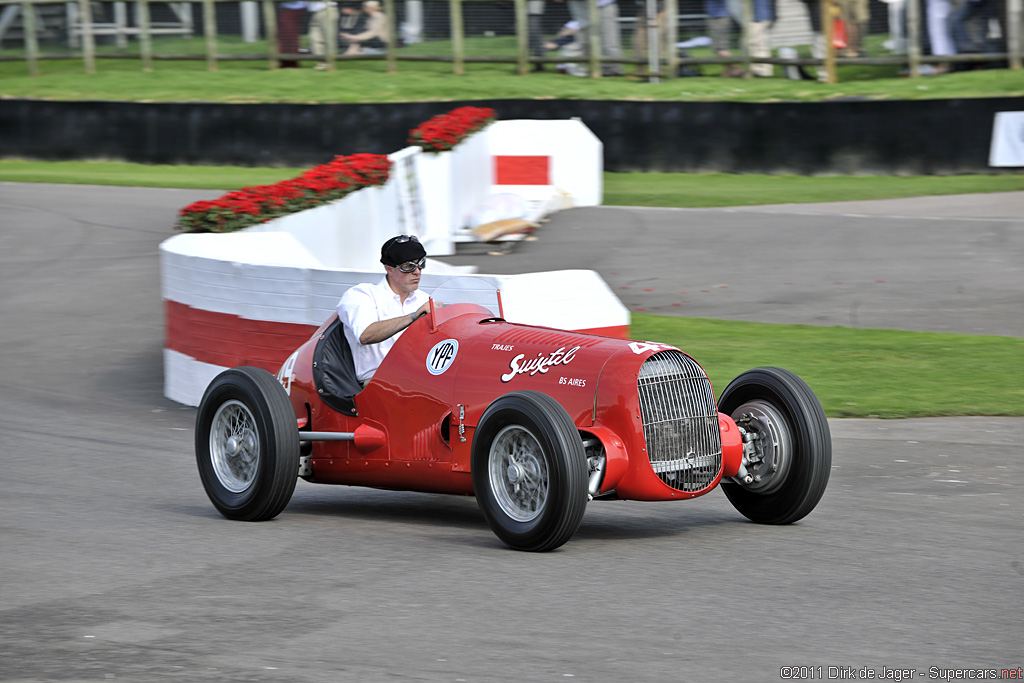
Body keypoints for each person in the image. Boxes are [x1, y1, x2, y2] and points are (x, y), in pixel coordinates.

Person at [337, 235, 431, 384]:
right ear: (390, 269)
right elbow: (365, 335)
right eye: (408, 266)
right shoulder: (361, 294)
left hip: (418, 377)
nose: (417, 272)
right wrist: (413, 316)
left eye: (421, 264)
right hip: (377, 382)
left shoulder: (424, 299)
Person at [308, 0, 339, 69]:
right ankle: (321, 63)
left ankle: (330, 63)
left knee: (328, 38)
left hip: (327, 10)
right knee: (314, 39)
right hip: (315, 13)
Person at [278, 0, 308, 68]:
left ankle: (291, 63)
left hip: (292, 9)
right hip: (291, 9)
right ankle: (287, 62)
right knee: (288, 37)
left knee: (289, 38)